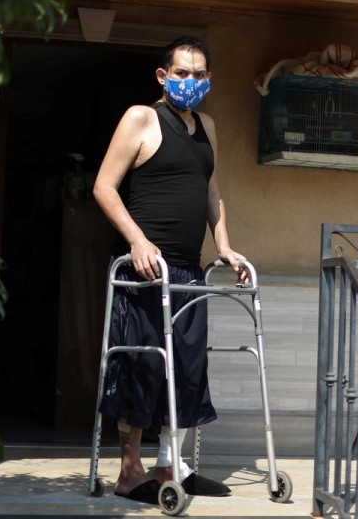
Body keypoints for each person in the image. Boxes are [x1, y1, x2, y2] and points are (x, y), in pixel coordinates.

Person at [92, 36, 248, 504]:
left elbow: (212, 193)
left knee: (185, 370)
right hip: (146, 271)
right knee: (142, 366)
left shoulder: (208, 126)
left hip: (187, 271)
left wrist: (225, 247)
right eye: (181, 73)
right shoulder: (141, 117)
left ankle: (167, 466)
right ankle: (128, 473)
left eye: (199, 75)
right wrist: (137, 240)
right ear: (163, 76)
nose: (190, 82)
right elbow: (104, 186)